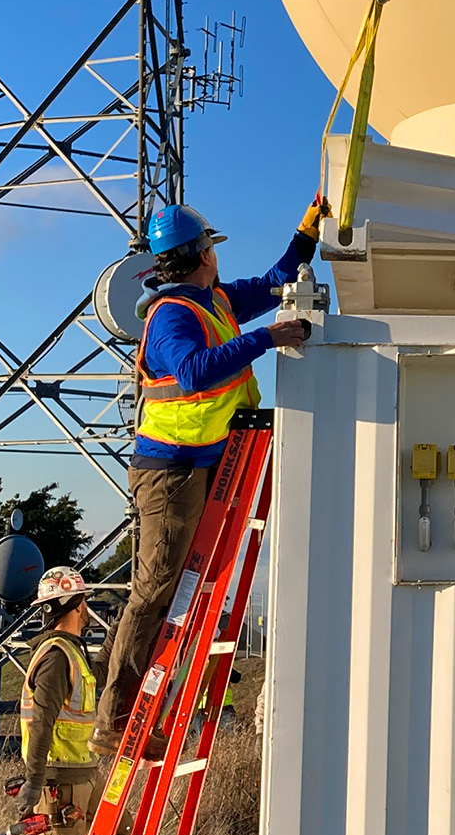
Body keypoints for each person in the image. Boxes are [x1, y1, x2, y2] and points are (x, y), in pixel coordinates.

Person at [92, 196, 325, 758]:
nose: (216, 256)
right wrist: (269, 337)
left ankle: (144, 698)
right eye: (211, 248)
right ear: (202, 253)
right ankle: (116, 720)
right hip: (168, 472)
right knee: (154, 591)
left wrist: (307, 230)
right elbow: (194, 373)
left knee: (185, 587)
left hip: (200, 464)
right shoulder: (173, 313)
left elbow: (275, 281)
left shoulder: (212, 300)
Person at [17, 565, 101, 835]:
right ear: (78, 605)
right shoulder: (56, 657)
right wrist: (34, 782)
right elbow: (42, 723)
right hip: (61, 783)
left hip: (84, 775)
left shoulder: (72, 652)